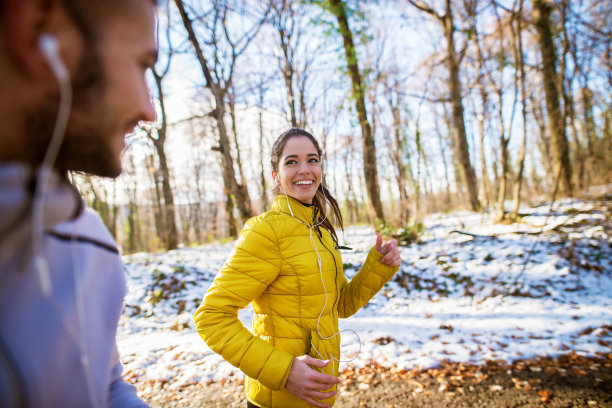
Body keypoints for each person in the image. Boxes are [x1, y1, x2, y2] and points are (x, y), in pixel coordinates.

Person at [0, 0, 158, 406]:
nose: (149, 109)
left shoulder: (90, 245)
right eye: (141, 64)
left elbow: (104, 387)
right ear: (38, 32)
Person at [195, 128, 402, 408]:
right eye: (291, 161)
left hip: (318, 392)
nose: (304, 169)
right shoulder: (266, 231)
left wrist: (377, 267)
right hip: (277, 399)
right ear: (275, 175)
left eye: (312, 159)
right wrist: (283, 370)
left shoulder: (319, 231)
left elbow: (339, 306)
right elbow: (211, 317)